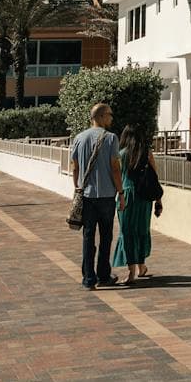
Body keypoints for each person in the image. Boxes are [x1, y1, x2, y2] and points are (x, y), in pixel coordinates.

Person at [67, 103, 123, 289]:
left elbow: (75, 167)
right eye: (109, 114)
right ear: (100, 116)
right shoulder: (111, 138)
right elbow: (115, 168)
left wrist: (77, 187)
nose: (111, 118)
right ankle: (103, 275)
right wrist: (121, 192)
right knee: (106, 237)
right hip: (106, 195)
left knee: (88, 236)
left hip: (87, 195)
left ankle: (88, 279)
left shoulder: (79, 138)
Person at [111, 123, 163, 285]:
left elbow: (116, 177)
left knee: (127, 233)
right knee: (141, 230)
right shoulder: (146, 153)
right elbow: (154, 178)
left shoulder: (121, 154)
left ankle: (131, 272)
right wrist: (158, 200)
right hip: (144, 198)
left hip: (127, 196)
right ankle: (141, 266)